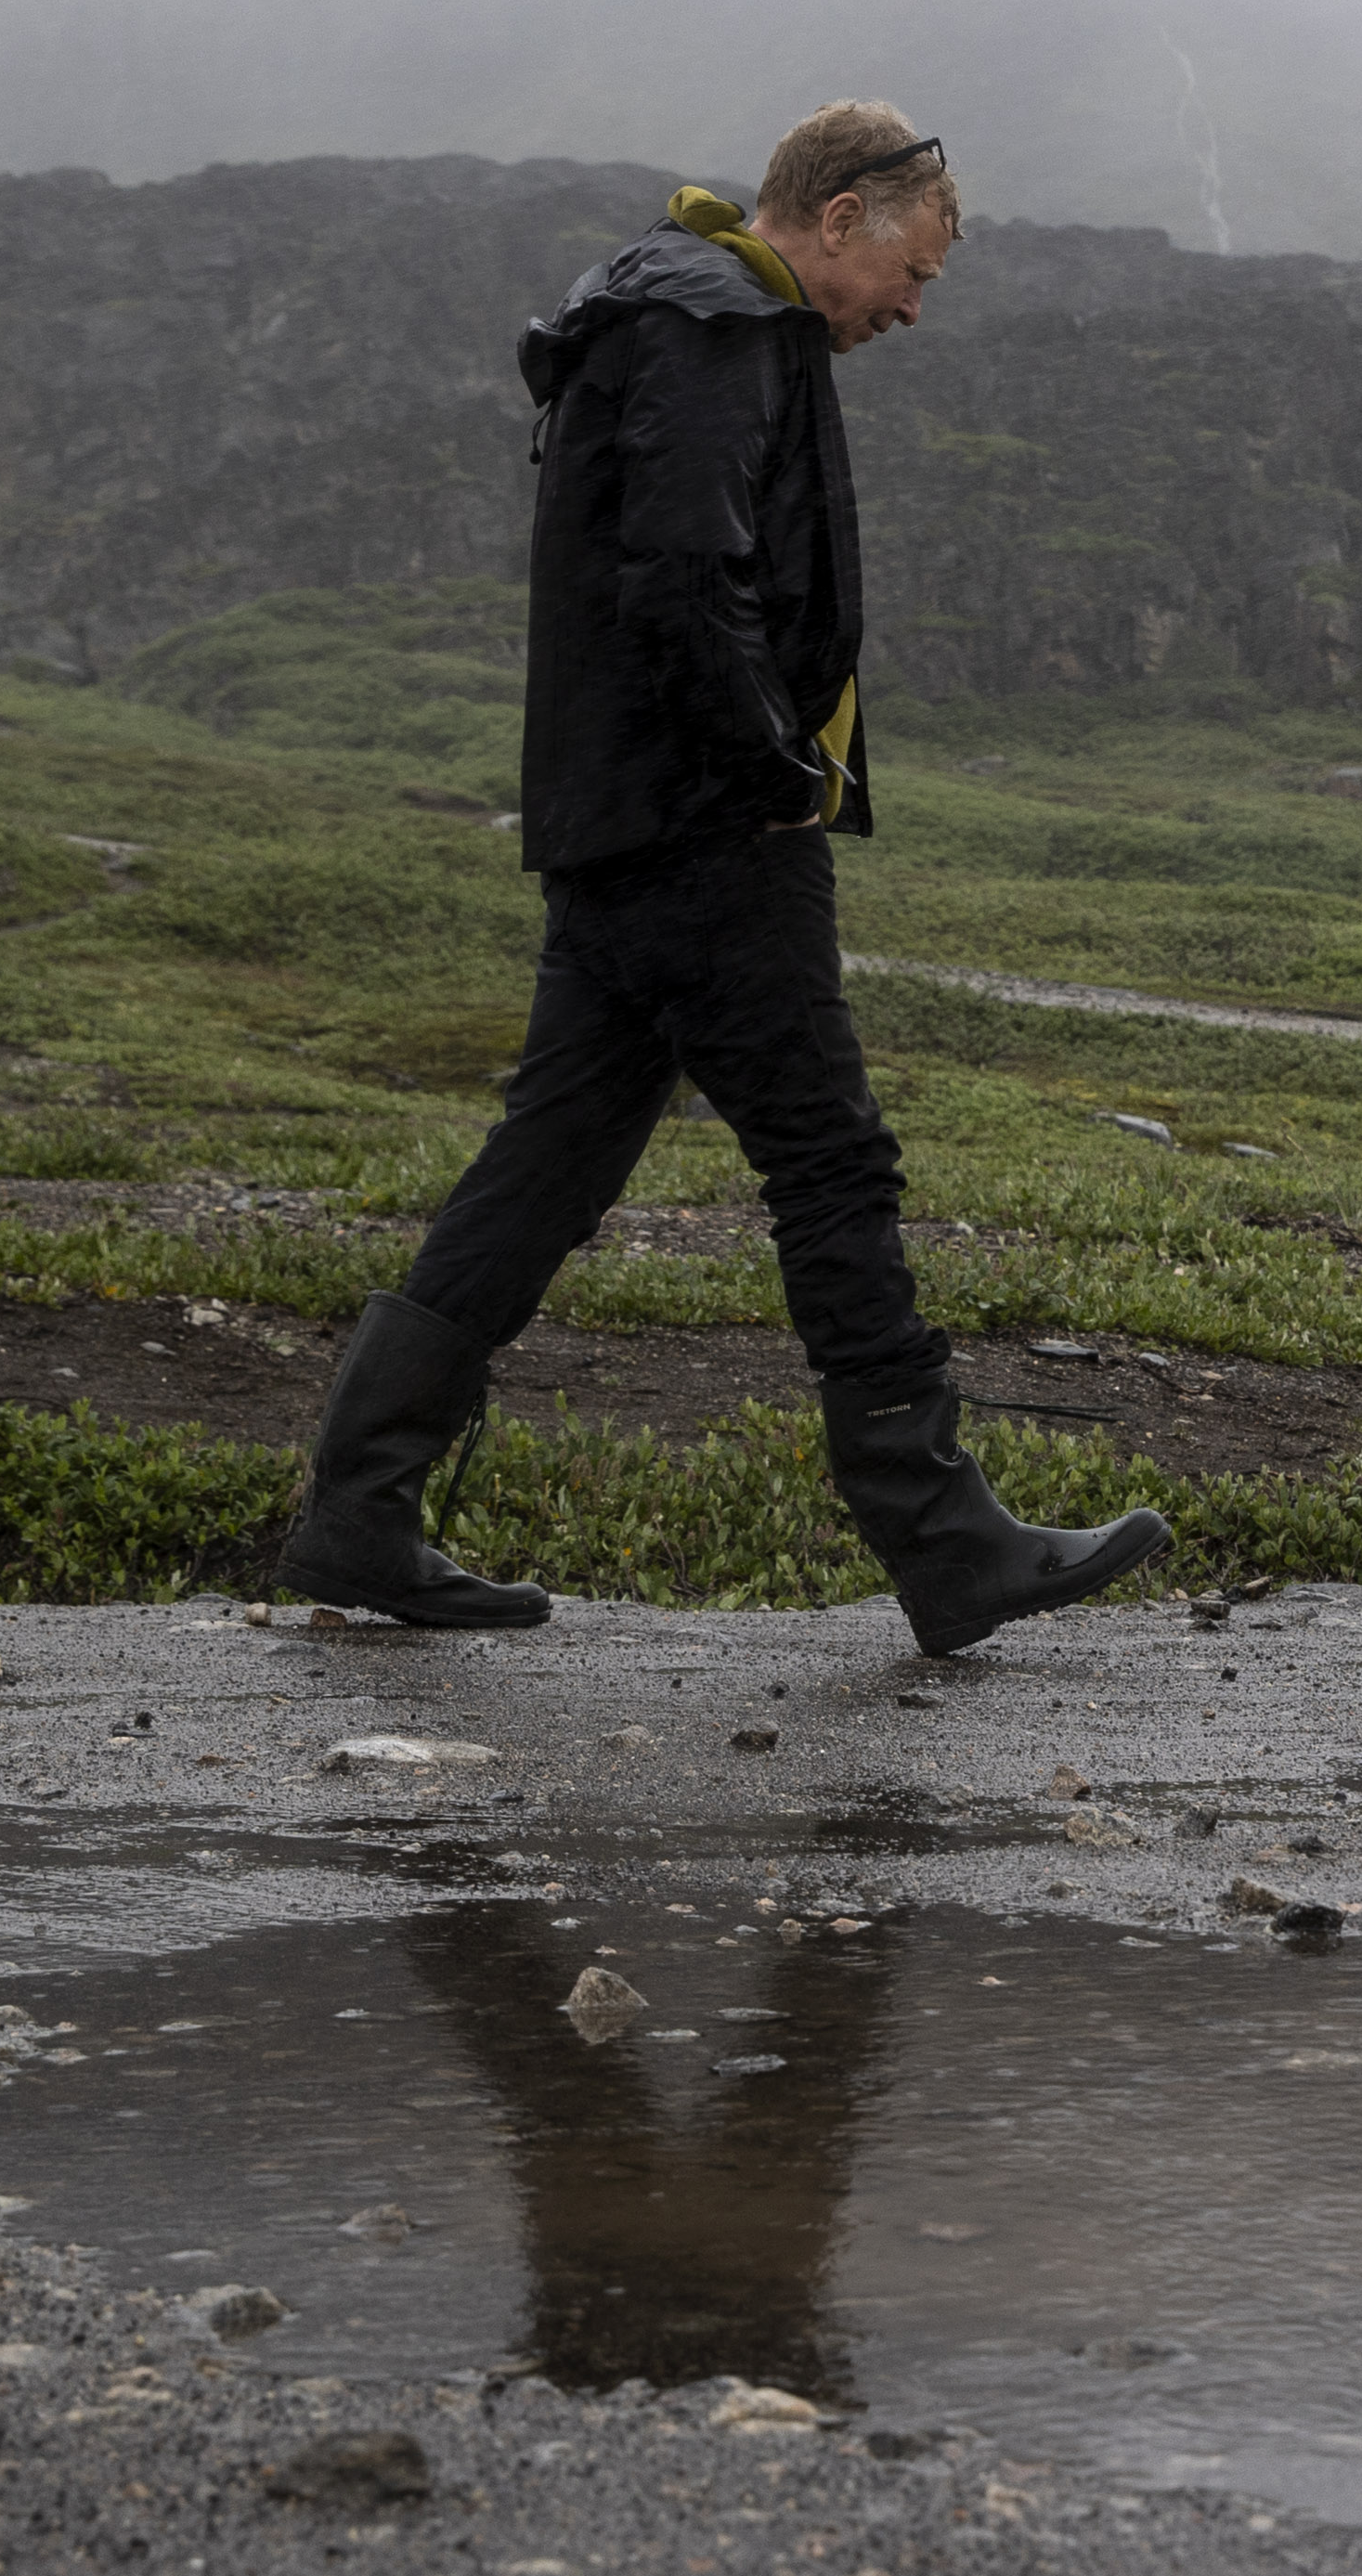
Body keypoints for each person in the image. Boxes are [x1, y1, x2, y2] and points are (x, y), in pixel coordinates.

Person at [268, 101, 1167, 1645]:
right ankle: (944, 1538)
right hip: (705, 835)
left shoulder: (676, 311)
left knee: (545, 1164)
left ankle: (359, 1509)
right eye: (914, 268)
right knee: (830, 1160)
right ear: (837, 217)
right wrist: (770, 772)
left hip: (621, 827)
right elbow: (688, 574)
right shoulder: (719, 327)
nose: (914, 304)